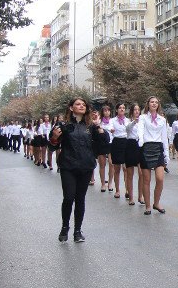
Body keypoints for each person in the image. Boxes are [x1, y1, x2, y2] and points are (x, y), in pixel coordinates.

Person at [49, 98, 106, 243]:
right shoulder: (63, 125)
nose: (81, 106)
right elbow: (52, 146)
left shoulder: (91, 126)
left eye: (83, 105)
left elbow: (103, 144)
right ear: (71, 107)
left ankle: (77, 231)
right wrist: (54, 138)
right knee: (69, 197)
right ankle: (64, 227)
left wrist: (100, 129)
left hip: (86, 166)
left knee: (80, 198)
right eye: (78, 104)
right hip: (68, 165)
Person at [137, 96, 170, 215]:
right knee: (146, 179)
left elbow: (164, 137)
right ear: (148, 104)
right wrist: (141, 140)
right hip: (146, 147)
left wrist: (166, 153)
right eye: (152, 102)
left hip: (158, 148)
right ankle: (148, 205)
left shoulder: (162, 119)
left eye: (156, 102)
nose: (154, 104)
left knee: (160, 178)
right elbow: (140, 129)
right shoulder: (143, 117)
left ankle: (156, 203)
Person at [108, 103, 130, 199]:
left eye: (123, 108)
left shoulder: (128, 120)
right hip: (116, 142)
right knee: (117, 168)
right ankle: (117, 190)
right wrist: (111, 129)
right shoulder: (112, 120)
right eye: (120, 108)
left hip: (126, 142)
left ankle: (127, 190)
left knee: (125, 168)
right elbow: (109, 127)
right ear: (116, 110)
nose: (122, 109)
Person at [124, 104, 144, 205]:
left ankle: (140, 196)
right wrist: (134, 122)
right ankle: (131, 197)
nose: (137, 111)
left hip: (140, 145)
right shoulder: (127, 121)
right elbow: (127, 129)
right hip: (130, 145)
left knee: (141, 173)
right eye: (135, 109)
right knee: (130, 173)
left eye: (138, 110)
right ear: (132, 111)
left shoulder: (142, 121)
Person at [94, 106, 114, 193]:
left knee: (111, 163)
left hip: (111, 143)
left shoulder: (113, 121)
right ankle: (103, 183)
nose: (107, 112)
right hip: (101, 144)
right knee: (102, 164)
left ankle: (110, 183)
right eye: (105, 110)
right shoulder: (99, 121)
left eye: (108, 110)